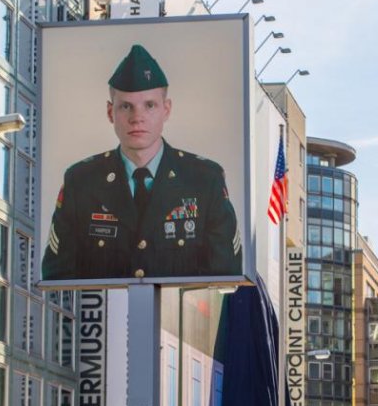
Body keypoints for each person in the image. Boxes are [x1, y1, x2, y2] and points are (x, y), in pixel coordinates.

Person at [42, 44, 242, 280]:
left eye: (149, 105)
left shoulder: (204, 179)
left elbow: (226, 276)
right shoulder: (81, 182)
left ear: (166, 110)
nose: (137, 118)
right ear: (110, 112)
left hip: (181, 316)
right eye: (126, 106)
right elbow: (57, 276)